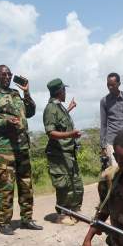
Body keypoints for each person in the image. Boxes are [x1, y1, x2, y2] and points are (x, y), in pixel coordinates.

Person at [0, 64, 40, 234]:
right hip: (5, 149)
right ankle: (4, 223)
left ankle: (27, 219)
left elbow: (30, 112)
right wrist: (4, 122)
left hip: (23, 146)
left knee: (26, 184)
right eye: (4, 74)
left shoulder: (15, 94)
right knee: (6, 186)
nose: (7, 77)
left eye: (9, 74)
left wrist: (26, 92)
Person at [43, 78, 83, 224]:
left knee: (75, 183)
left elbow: (61, 121)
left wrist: (70, 108)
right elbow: (51, 132)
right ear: (60, 92)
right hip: (58, 154)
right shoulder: (50, 109)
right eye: (64, 90)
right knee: (64, 185)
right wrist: (71, 134)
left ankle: (73, 211)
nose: (66, 93)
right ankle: (62, 214)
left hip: (68, 153)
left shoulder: (59, 107)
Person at [98, 72, 123, 168]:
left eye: (112, 85)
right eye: (108, 85)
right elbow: (103, 125)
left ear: (119, 84)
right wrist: (103, 146)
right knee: (116, 170)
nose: (110, 87)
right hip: (112, 140)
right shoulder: (104, 101)